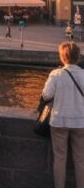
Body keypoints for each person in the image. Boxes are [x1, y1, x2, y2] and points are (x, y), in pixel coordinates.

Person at [42, 42, 84, 188]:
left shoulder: (56, 74)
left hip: (59, 120)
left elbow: (46, 95)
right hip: (80, 122)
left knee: (60, 158)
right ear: (78, 57)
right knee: (80, 159)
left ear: (62, 57)